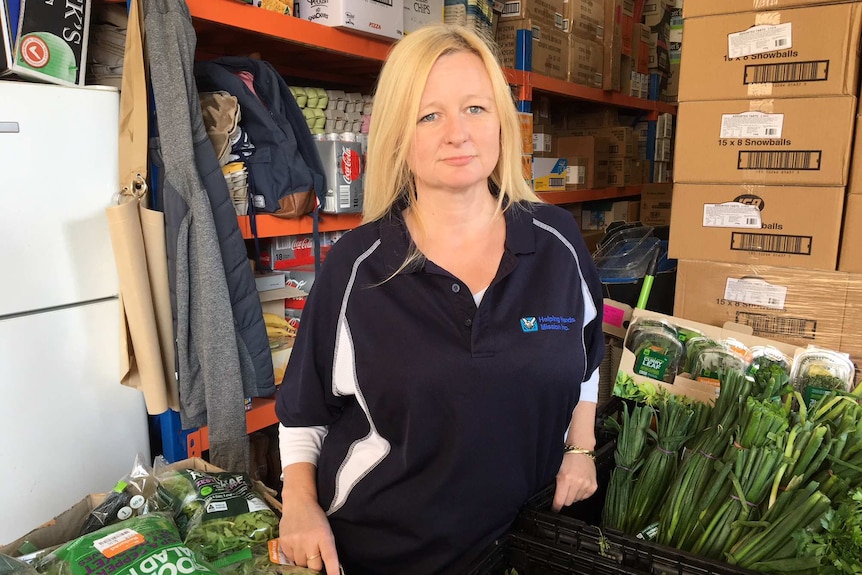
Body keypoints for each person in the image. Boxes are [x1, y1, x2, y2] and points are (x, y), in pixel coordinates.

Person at [275, 23, 605, 575]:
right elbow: (303, 415)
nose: (458, 133)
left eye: (475, 108)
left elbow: (587, 359)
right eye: (430, 115)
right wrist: (300, 506)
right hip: (381, 554)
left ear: (502, 121)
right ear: (400, 137)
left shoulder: (557, 242)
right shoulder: (356, 267)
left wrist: (581, 448)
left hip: (520, 545)